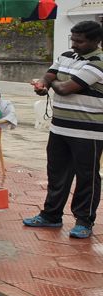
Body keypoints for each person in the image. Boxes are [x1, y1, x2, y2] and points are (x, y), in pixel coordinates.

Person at [24, 21, 103, 238]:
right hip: (60, 128)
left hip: (88, 131)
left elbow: (66, 88)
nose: (74, 44)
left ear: (96, 41)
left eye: (80, 41)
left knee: (87, 177)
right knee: (56, 173)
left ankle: (84, 221)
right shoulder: (67, 55)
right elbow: (48, 76)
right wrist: (44, 84)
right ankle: (51, 215)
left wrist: (53, 82)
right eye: (73, 39)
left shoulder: (99, 61)